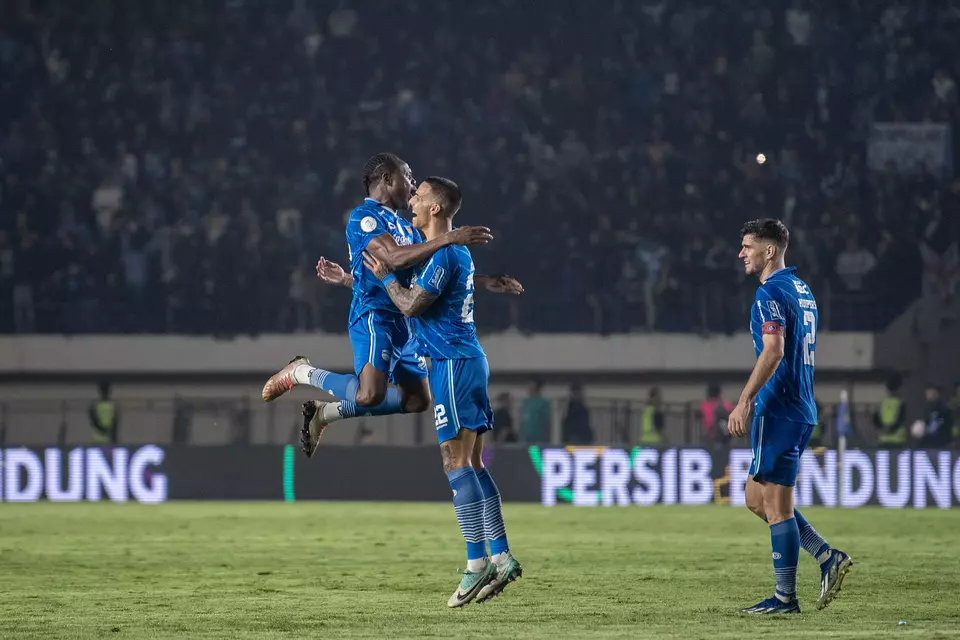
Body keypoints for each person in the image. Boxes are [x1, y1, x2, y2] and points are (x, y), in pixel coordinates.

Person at [259, 153, 508, 457]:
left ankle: (323, 413)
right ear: (389, 180)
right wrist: (449, 238)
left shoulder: (406, 227)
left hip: (406, 319)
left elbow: (431, 277)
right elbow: (390, 259)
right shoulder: (365, 218)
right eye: (409, 176)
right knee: (369, 395)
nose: (413, 185)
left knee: (417, 401)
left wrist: (481, 281)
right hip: (376, 318)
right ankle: (300, 372)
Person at [359, 176, 522, 607]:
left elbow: (412, 304)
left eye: (419, 194)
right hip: (468, 360)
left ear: (435, 208)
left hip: (450, 364)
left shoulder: (446, 251)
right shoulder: (453, 251)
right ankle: (501, 554)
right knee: (472, 463)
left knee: (454, 464)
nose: (411, 198)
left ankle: (475, 565)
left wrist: (385, 281)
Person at [728, 219, 852, 614]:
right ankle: (825, 555)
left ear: (769, 251)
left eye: (747, 246)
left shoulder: (769, 292)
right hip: (798, 407)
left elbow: (774, 350)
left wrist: (745, 399)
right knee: (755, 498)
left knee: (777, 507)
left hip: (778, 408)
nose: (741, 253)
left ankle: (785, 598)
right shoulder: (802, 289)